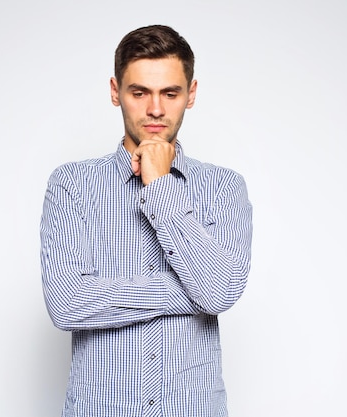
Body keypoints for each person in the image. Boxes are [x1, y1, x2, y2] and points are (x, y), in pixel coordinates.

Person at [40, 24, 253, 417]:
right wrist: (192, 290)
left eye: (170, 93)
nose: (155, 109)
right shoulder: (71, 185)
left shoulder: (225, 188)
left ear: (190, 94)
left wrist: (159, 185)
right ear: (114, 91)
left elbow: (220, 293)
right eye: (139, 93)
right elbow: (67, 304)